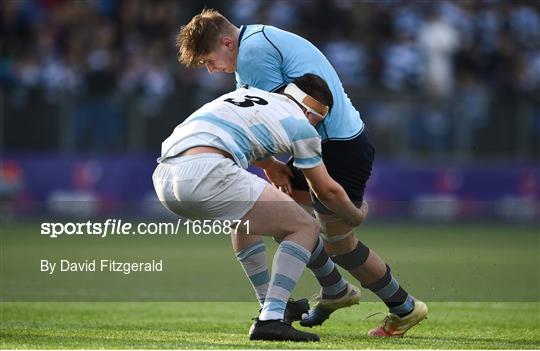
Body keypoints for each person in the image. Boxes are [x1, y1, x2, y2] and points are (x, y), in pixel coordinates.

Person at [176, 9, 428, 337]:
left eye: (210, 60)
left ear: (226, 42)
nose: (212, 70)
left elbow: (272, 122)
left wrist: (354, 213)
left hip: (338, 147)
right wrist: (271, 166)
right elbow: (266, 118)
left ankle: (404, 307)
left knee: (340, 245)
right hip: (313, 144)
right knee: (270, 220)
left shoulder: (252, 53)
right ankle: (328, 292)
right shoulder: (251, 46)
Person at [153, 74, 368, 342]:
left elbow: (226, 132)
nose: (317, 127)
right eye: (318, 119)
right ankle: (271, 318)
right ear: (308, 109)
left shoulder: (248, 95)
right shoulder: (302, 125)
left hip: (165, 177)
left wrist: (270, 166)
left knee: (245, 222)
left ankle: (271, 302)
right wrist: (355, 215)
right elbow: (327, 190)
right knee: (304, 226)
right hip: (207, 172)